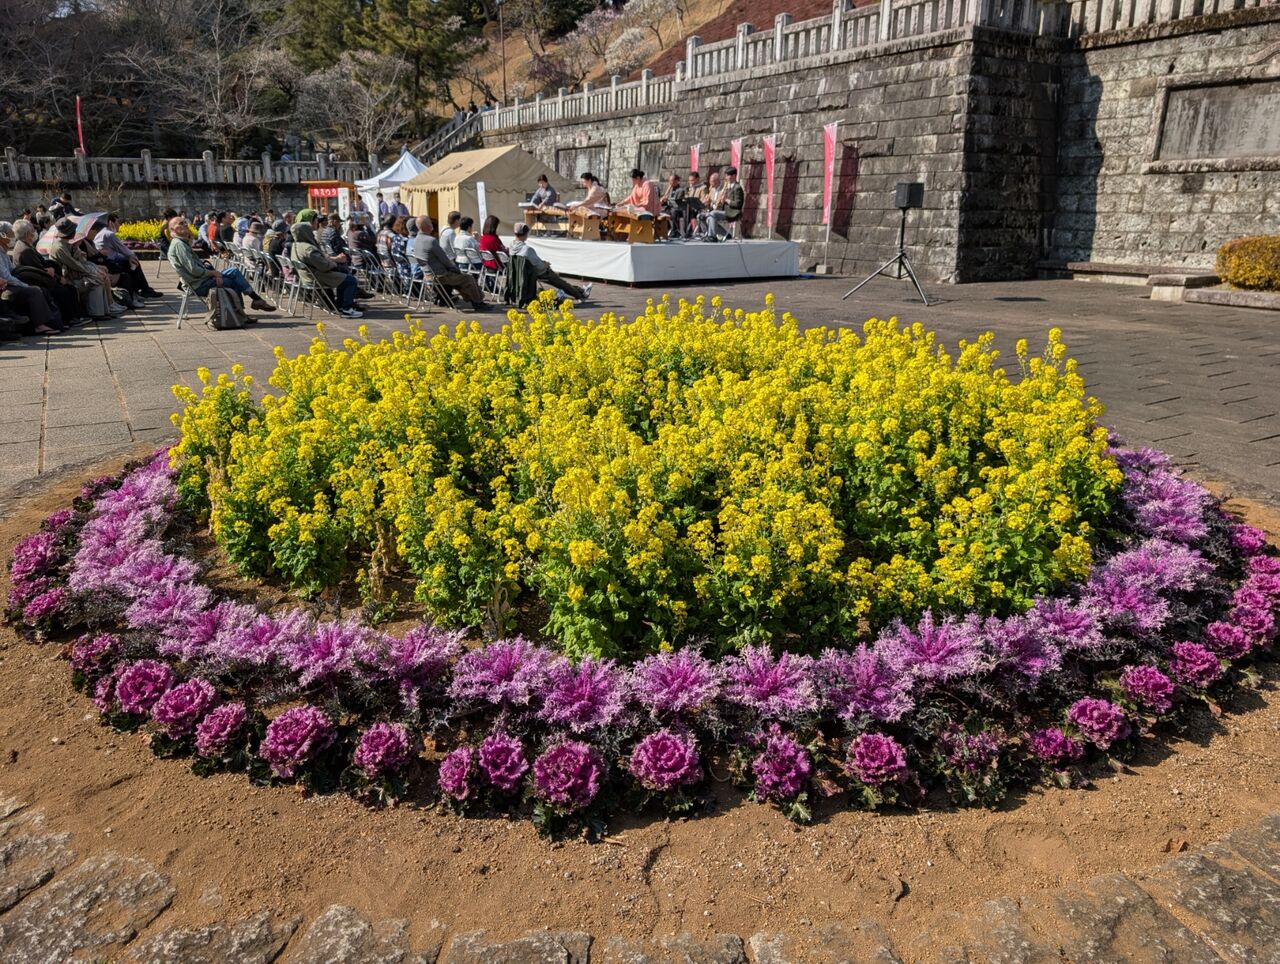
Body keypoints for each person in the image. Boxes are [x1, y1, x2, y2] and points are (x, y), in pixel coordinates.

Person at [167, 215, 277, 315]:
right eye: (181, 223)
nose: (185, 225)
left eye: (185, 222)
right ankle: (242, 312)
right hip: (198, 284)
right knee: (233, 281)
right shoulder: (179, 245)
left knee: (234, 271)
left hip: (199, 280)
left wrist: (211, 272)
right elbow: (194, 270)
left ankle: (253, 302)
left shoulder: (180, 243)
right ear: (172, 229)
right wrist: (214, 273)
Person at [48, 218, 125, 321]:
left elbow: (82, 262)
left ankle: (103, 311)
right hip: (68, 278)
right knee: (97, 280)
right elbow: (75, 265)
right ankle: (96, 313)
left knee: (100, 278)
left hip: (76, 274)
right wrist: (93, 273)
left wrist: (82, 256)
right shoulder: (59, 247)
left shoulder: (68, 244)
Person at [12, 219, 81, 324]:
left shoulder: (27, 245)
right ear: (26, 234)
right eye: (32, 231)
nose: (34, 232)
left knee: (69, 287)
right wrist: (58, 278)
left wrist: (51, 270)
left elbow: (42, 265)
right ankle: (70, 319)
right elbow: (38, 271)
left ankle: (75, 317)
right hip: (35, 281)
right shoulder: (25, 250)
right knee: (64, 290)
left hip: (39, 276)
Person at [411, 215, 486, 311]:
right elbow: (445, 260)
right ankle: (478, 302)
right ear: (426, 226)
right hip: (440, 275)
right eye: (430, 222)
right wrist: (454, 268)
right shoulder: (431, 240)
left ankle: (472, 300)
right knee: (468, 278)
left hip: (428, 275)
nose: (431, 224)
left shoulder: (416, 241)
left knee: (460, 278)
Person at [0, 221, 61, 334]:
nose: (13, 237)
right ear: (2, 236)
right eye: (10, 234)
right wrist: (24, 285)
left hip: (9, 284)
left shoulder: (4, 252)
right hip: (5, 287)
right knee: (34, 291)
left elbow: (12, 270)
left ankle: (52, 322)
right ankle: (40, 325)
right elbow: (7, 277)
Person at [510, 224, 592, 302]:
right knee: (560, 282)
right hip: (537, 273)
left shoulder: (512, 246)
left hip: (523, 273)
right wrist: (546, 264)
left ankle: (581, 290)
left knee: (559, 281)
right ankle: (580, 295)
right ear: (525, 234)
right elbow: (539, 266)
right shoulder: (526, 249)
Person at [95, 213, 163, 298]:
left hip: (105, 261)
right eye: (117, 222)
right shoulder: (108, 234)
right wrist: (131, 256)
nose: (119, 225)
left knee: (130, 261)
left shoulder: (101, 233)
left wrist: (129, 256)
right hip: (110, 263)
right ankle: (144, 289)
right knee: (134, 262)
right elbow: (125, 250)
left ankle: (141, 289)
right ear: (111, 223)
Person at [705, 166, 745, 241]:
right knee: (708, 218)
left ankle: (712, 236)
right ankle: (722, 234)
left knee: (713, 214)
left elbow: (738, 204)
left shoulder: (737, 188)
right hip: (726, 211)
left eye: (728, 176)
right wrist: (719, 202)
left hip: (733, 213)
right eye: (726, 176)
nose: (726, 178)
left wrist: (726, 200)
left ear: (734, 176)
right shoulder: (728, 187)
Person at [696, 172, 724, 238]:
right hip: (712, 210)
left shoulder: (723, 189)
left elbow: (721, 202)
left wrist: (712, 201)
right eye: (710, 181)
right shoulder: (712, 189)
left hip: (720, 210)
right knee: (700, 216)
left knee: (710, 216)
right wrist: (706, 202)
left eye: (712, 182)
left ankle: (713, 235)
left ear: (717, 181)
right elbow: (709, 202)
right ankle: (706, 232)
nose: (710, 184)